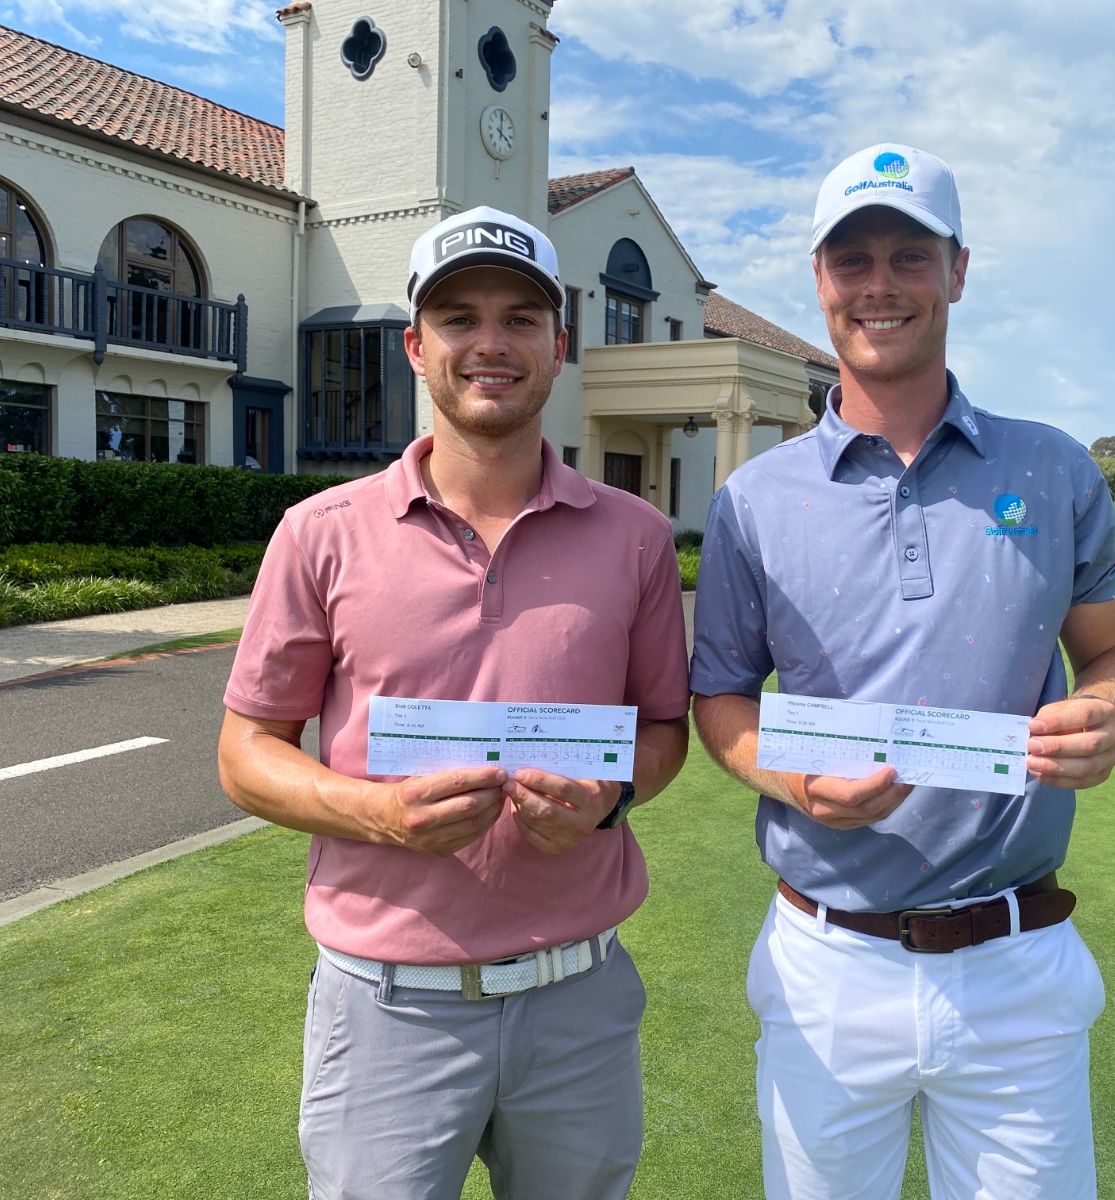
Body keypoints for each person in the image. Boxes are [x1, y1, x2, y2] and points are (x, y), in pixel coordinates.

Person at [690, 144, 1115, 1199]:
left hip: (1015, 962)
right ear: (819, 281)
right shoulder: (754, 501)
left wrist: (1106, 712)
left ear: (957, 270)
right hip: (826, 961)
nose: (879, 285)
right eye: (851, 259)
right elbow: (717, 699)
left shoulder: (1051, 468)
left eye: (910, 254)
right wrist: (793, 782)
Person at [217, 205, 690, 1200]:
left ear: (559, 347)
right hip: (387, 1007)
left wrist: (612, 798)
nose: (490, 343)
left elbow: (660, 729)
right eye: (459, 317)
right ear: (416, 346)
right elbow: (247, 751)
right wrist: (373, 811)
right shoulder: (319, 532)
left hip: (578, 999)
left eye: (521, 318)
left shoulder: (636, 537)